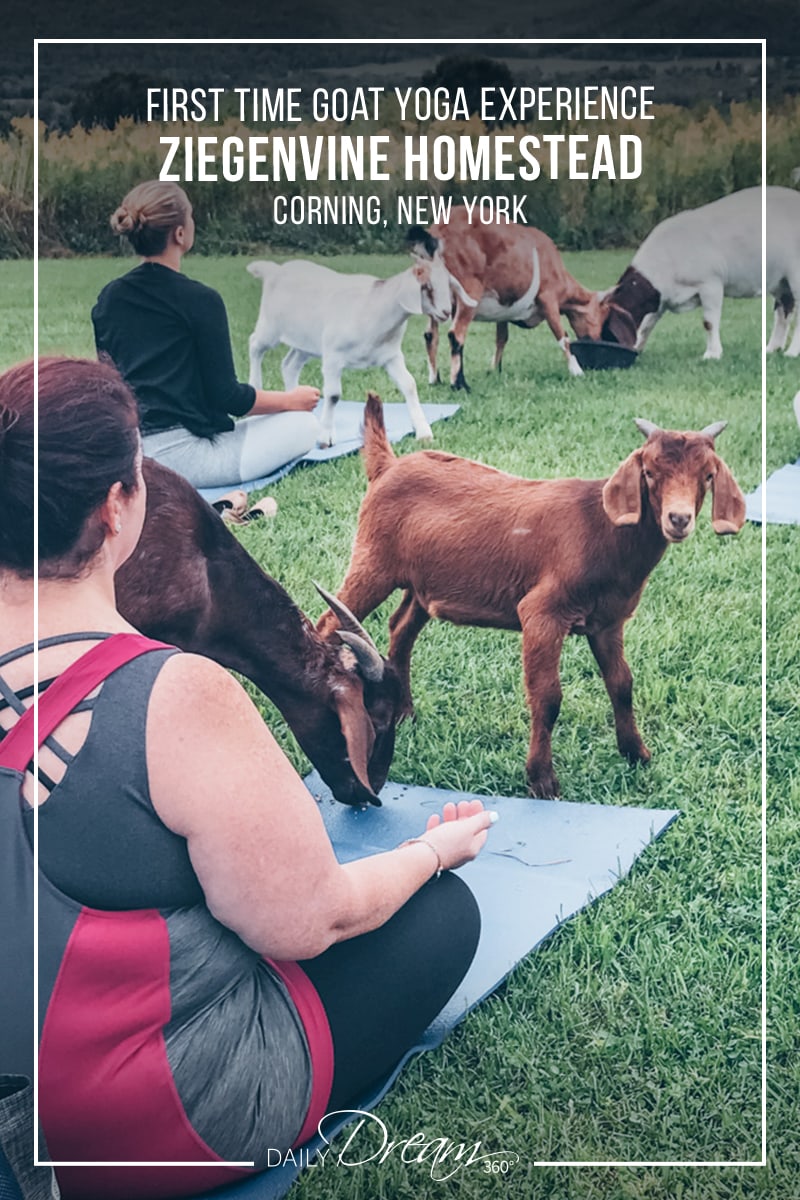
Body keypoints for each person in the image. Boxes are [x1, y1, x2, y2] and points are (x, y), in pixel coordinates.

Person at [0, 357, 494, 1200]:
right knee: (443, 918)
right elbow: (307, 921)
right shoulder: (173, 694)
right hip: (116, 1126)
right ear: (120, 504)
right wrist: (432, 854)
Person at [91, 180, 322, 488]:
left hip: (132, 457)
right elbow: (229, 398)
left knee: (261, 424)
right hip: (186, 461)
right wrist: (292, 400)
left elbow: (113, 389)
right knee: (305, 425)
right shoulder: (201, 300)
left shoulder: (108, 299)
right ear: (180, 233)